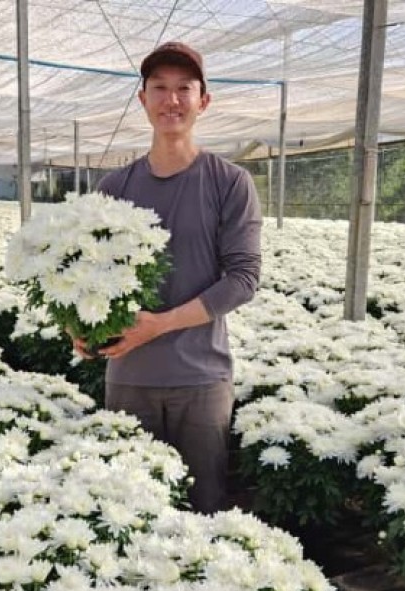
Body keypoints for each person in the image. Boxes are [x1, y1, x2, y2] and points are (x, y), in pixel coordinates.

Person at [72, 42, 262, 514]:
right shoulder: (114, 187)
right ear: (143, 99)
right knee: (128, 509)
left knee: (203, 508)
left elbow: (243, 278)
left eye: (184, 89)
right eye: (159, 88)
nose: (171, 100)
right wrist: (78, 323)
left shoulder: (229, 182)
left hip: (201, 381)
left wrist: (159, 325)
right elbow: (88, 272)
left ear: (203, 100)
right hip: (129, 378)